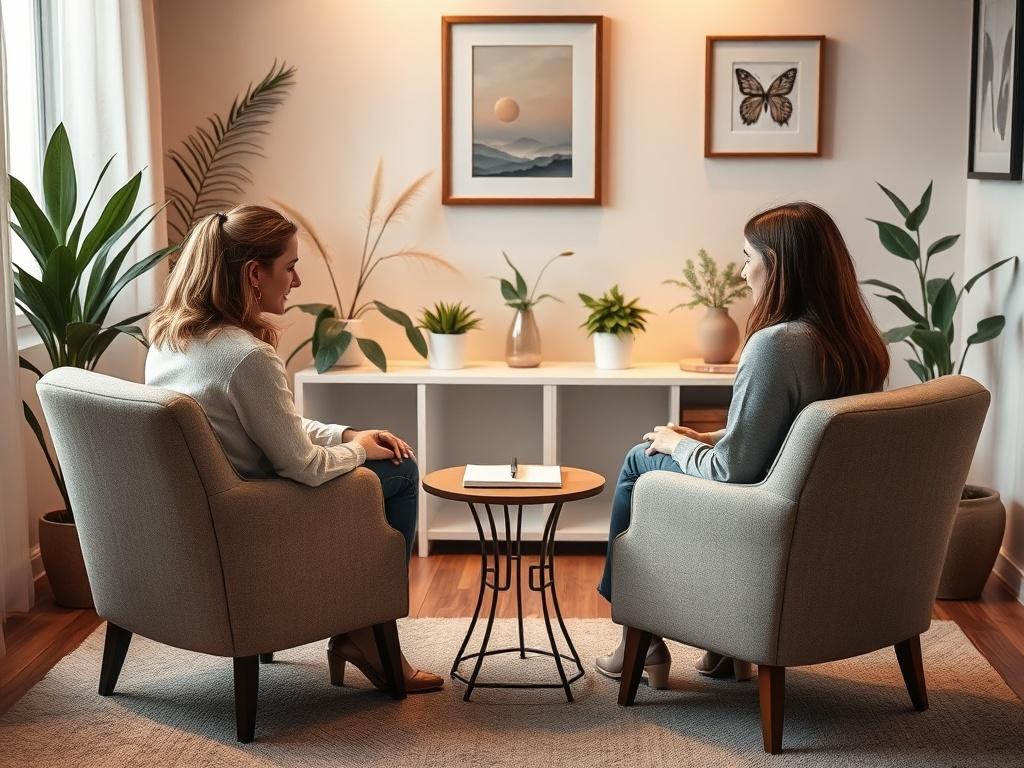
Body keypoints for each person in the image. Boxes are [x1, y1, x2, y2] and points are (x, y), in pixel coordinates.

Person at [145, 204, 443, 693]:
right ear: (254, 274)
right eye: (290, 266)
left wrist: (344, 435)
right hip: (261, 514)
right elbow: (301, 466)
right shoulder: (246, 356)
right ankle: (368, 632)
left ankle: (360, 627)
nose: (298, 281)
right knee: (400, 472)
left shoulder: (173, 340)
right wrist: (364, 452)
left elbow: (267, 424)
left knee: (374, 457)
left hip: (213, 512)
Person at [594, 202, 890, 687]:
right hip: (823, 519)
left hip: (762, 516)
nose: (741, 270)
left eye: (748, 256)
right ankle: (726, 649)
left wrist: (675, 445)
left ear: (779, 268)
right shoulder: (858, 345)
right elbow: (797, 438)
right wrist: (699, 438)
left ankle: (636, 641)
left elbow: (731, 470)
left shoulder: (776, 345)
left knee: (636, 459)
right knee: (665, 446)